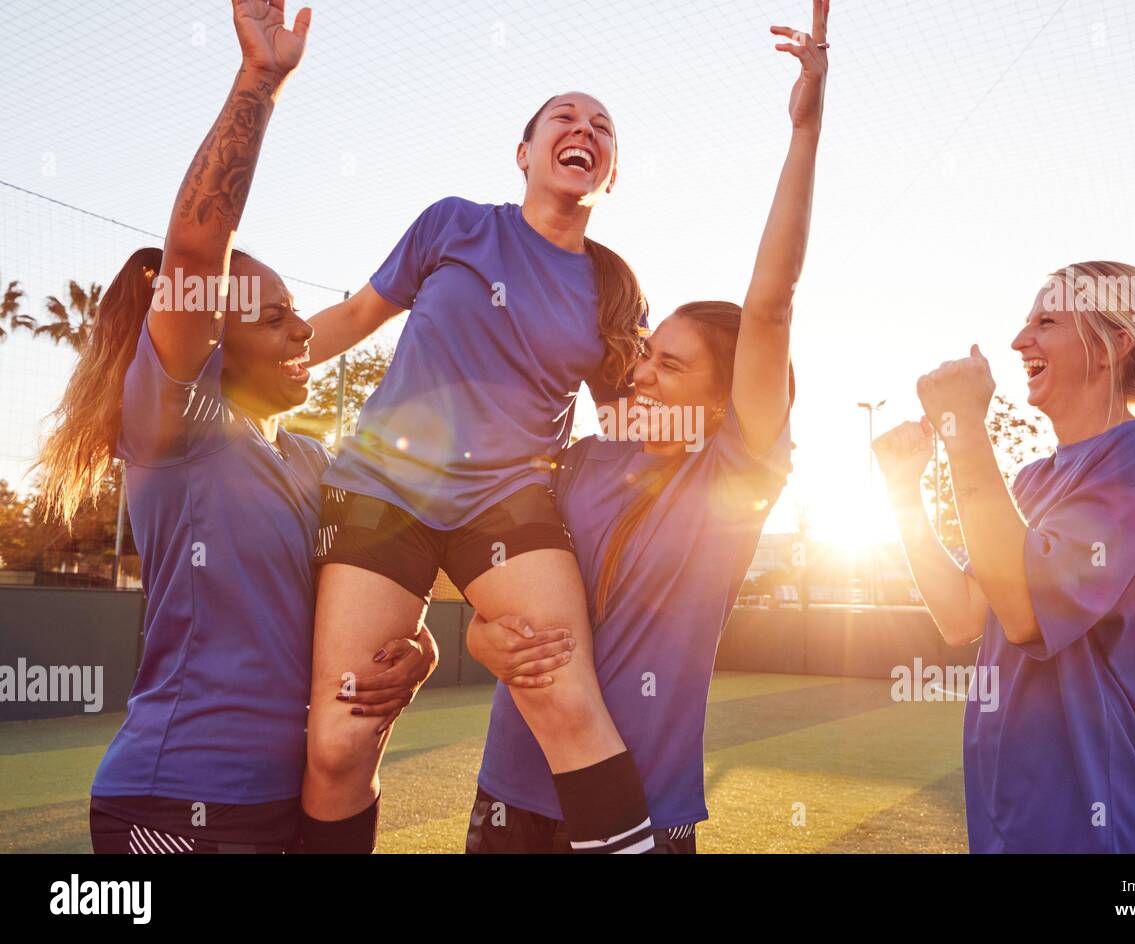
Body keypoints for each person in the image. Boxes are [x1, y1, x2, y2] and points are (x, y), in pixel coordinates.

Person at [34, 0, 435, 854]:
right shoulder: (175, 432)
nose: (301, 332)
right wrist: (260, 79)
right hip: (174, 805)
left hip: (294, 803)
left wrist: (417, 646)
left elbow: (351, 595)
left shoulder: (305, 457)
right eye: (277, 316)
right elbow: (190, 255)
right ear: (214, 335)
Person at [461, 0, 829, 853]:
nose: (639, 371)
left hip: (641, 811)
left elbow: (769, 307)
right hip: (510, 791)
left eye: (670, 363)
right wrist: (484, 639)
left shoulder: (737, 469)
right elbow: (483, 583)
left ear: (726, 397)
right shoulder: (579, 461)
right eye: (644, 355)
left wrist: (805, 132)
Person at [298, 72, 656, 851]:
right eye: (566, 118)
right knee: (339, 736)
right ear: (525, 153)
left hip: (510, 501)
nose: (585, 130)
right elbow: (358, 315)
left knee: (560, 692)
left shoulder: (611, 287)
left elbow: (631, 423)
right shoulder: (453, 225)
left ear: (611, 175)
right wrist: (256, 369)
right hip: (380, 489)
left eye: (603, 128)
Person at [872, 261, 1135, 853]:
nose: (1018, 340)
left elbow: (1027, 613)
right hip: (1012, 827)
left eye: (1047, 320)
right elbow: (961, 616)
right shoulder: (1033, 480)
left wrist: (964, 434)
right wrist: (905, 491)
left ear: (1113, 345)